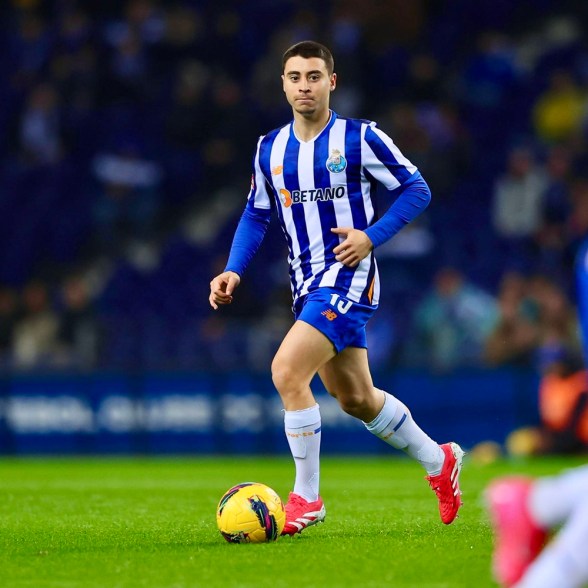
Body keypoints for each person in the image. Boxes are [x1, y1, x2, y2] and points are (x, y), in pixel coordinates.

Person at [209, 40, 464, 535]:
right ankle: (440, 460)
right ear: (283, 84)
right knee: (356, 398)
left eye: (313, 76)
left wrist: (371, 236)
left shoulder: (360, 137)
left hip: (348, 277)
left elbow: (417, 188)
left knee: (287, 371)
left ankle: (306, 498)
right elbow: (256, 214)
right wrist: (234, 269)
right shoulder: (269, 148)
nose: (304, 86)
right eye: (294, 77)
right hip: (306, 284)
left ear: (331, 82)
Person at [486, 239, 588, 588]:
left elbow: (570, 435)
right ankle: (536, 506)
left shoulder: (576, 384)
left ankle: (535, 505)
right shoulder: (555, 383)